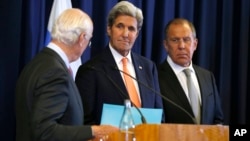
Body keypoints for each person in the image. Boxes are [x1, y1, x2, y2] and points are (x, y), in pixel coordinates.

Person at [15, 8, 118, 141]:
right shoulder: (55, 72)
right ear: (82, 38)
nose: (87, 46)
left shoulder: (37, 63)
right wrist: (94, 131)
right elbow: (45, 131)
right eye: (89, 41)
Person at [75, 1, 163, 125]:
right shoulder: (91, 70)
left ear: (137, 34)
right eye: (120, 26)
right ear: (109, 29)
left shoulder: (149, 67)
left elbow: (159, 115)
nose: (125, 34)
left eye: (131, 29)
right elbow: (84, 120)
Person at [158, 18, 224, 124]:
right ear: (166, 45)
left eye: (187, 40)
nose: (182, 46)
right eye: (175, 40)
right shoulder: (155, 76)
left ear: (195, 44)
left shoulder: (207, 76)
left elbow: (218, 119)